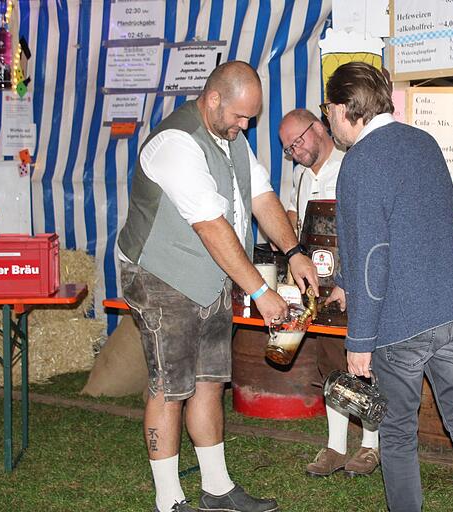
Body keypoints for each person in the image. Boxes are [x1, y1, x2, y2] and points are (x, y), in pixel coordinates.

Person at [117, 61, 319, 512]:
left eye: (250, 118)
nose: (245, 126)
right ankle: (168, 500)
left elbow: (262, 197)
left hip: (210, 275)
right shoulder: (175, 143)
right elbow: (212, 226)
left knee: (210, 381)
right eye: (241, 117)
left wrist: (294, 251)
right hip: (159, 275)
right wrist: (261, 293)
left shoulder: (231, 139)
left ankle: (218, 489)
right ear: (213, 99)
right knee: (170, 387)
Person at [323, 61, 453, 512]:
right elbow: (416, 223)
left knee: (398, 431)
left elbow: (373, 256)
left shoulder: (360, 162)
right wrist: (343, 282)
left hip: (403, 319)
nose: (327, 120)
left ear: (348, 108)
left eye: (327, 109)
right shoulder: (423, 142)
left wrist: (360, 340)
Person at [277, 109, 380, 477]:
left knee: (364, 364)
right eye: (288, 147)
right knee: (330, 363)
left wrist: (348, 282)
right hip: (317, 286)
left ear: (319, 128)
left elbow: (364, 229)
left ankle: (371, 446)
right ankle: (336, 446)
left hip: (355, 283)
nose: (295, 150)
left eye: (298, 141)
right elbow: (292, 218)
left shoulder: (351, 165)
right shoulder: (299, 174)